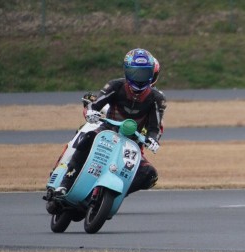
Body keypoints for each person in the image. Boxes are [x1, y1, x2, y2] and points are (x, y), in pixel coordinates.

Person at [54, 48, 166, 197]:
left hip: (132, 145)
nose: (140, 78)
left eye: (144, 74)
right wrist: (91, 111)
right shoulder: (115, 85)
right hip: (106, 132)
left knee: (150, 174)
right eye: (136, 73)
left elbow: (155, 127)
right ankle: (65, 183)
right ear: (127, 71)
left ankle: (113, 195)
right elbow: (94, 105)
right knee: (88, 138)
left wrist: (153, 139)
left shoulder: (157, 98)